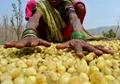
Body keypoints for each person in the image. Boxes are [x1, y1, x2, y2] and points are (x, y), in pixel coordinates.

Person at [4, 0, 114, 58]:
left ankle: (72, 40)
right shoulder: (43, 5)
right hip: (46, 37)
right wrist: (29, 33)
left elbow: (74, 18)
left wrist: (78, 36)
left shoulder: (66, 4)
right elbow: (34, 19)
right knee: (32, 5)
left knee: (80, 6)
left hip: (66, 35)